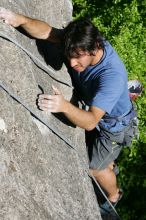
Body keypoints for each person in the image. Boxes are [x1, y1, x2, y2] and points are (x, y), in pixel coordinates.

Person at [0, 7, 137, 214]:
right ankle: (110, 163)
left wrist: (63, 105)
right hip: (98, 105)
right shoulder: (81, 41)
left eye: (78, 58)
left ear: (96, 48)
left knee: (94, 168)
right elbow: (48, 32)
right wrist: (17, 19)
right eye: (70, 55)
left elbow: (91, 121)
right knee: (103, 159)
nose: (72, 63)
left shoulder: (111, 77)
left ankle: (113, 196)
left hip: (113, 126)